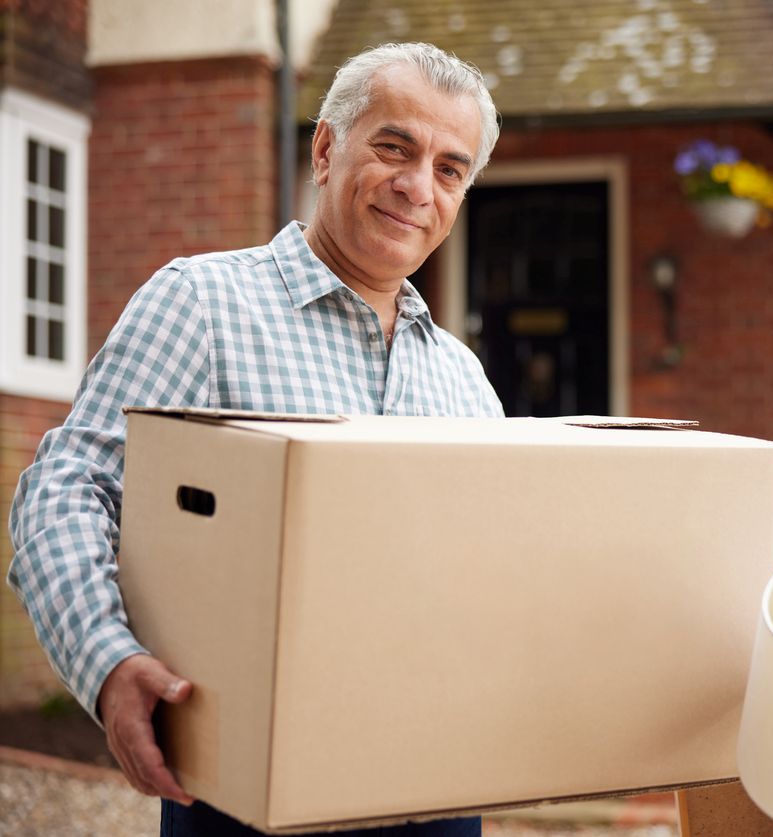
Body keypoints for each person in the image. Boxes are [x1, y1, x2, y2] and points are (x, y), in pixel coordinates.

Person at [8, 42, 503, 836]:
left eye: (450, 169)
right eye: (394, 148)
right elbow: (68, 487)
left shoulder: (465, 382)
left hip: (435, 791)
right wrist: (106, 662)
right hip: (245, 792)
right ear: (324, 149)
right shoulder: (201, 303)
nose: (418, 187)